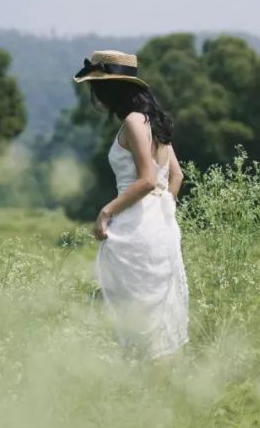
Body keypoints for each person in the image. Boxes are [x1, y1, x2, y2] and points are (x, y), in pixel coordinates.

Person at [73, 50, 189, 360]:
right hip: (159, 226)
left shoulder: (135, 122)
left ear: (110, 89)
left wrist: (106, 211)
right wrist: (162, 212)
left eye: (96, 87)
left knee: (132, 316)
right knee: (154, 317)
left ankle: (134, 379)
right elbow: (175, 176)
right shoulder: (154, 122)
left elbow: (147, 179)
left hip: (136, 228)